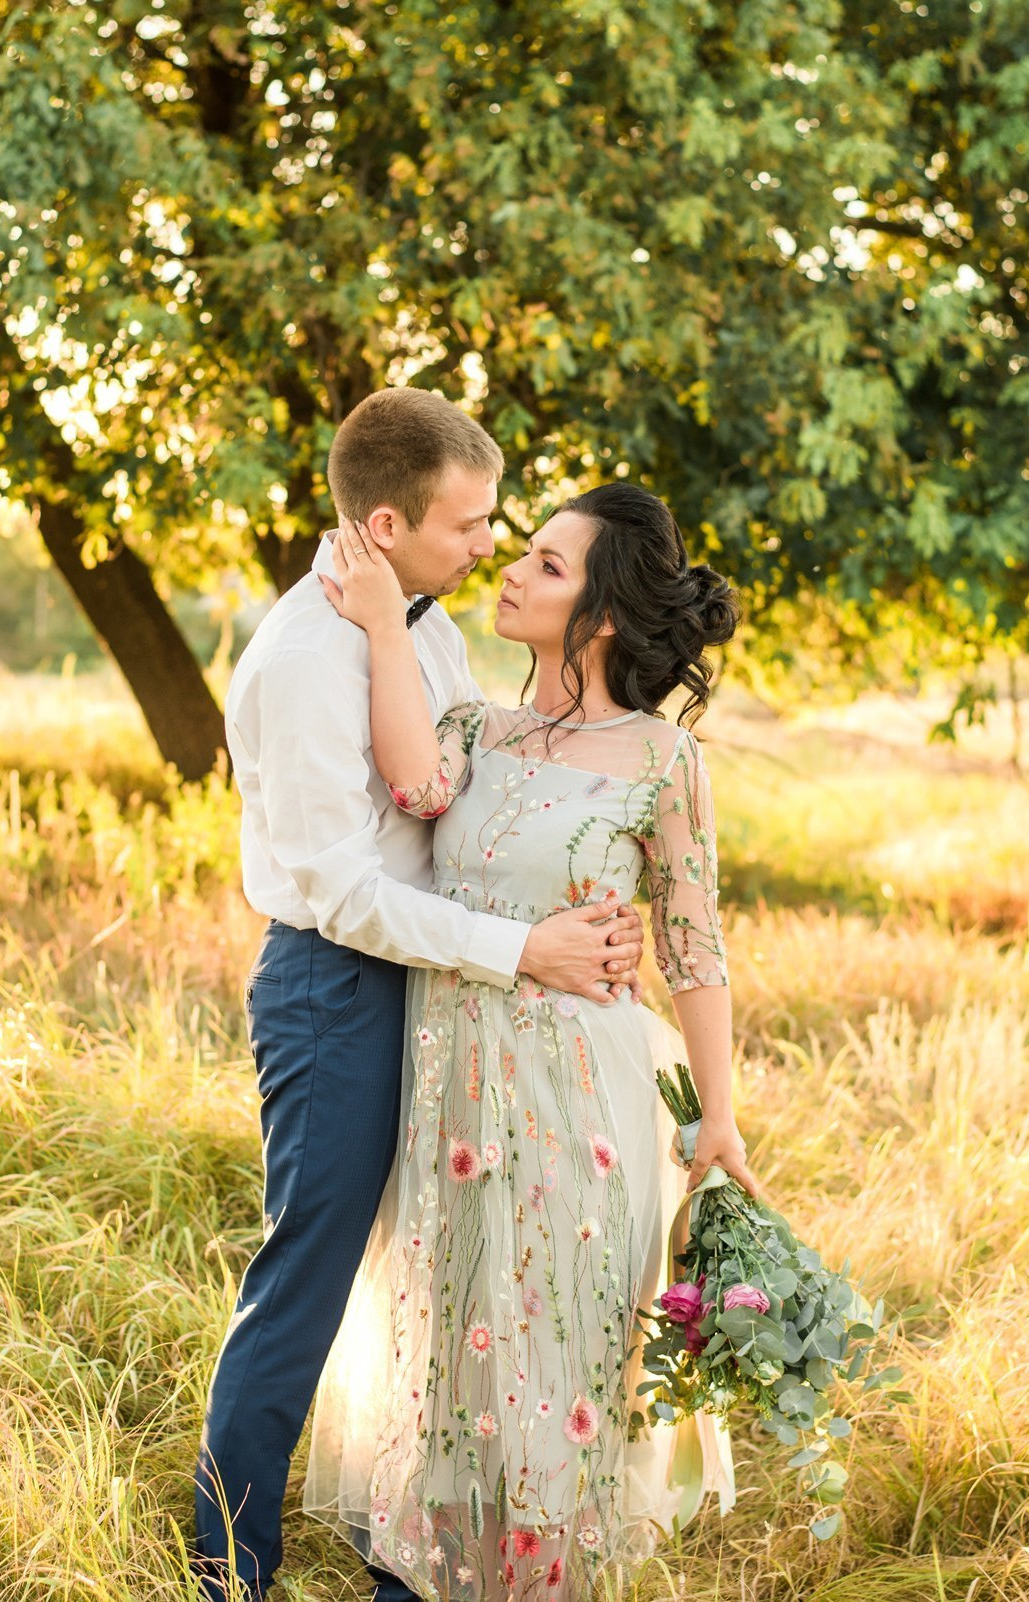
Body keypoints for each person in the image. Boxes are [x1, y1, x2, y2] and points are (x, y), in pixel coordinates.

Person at [198, 389, 648, 1602]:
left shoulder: (423, 624)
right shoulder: (301, 659)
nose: (485, 551)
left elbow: (466, 776)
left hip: (440, 988)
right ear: (388, 522)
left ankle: (410, 1552)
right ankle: (228, 1571)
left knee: (438, 1279)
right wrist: (522, 953)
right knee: (311, 1277)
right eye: (466, 527)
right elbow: (343, 895)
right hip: (336, 989)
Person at [302, 479, 754, 1599]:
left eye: (547, 565)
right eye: (524, 550)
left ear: (599, 615)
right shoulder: (473, 727)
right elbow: (412, 784)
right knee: (449, 1356)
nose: (509, 566)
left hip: (582, 1105)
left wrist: (722, 1119)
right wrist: (374, 618)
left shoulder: (661, 760)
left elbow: (693, 952)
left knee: (556, 1362)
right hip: (451, 1095)